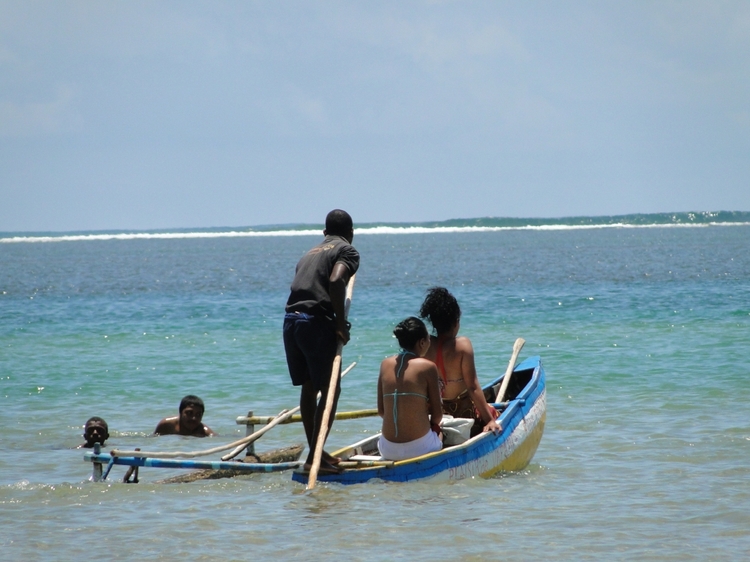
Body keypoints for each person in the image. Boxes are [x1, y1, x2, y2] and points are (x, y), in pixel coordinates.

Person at [283, 209, 359, 474]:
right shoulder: (347, 251)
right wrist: (340, 324)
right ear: (351, 233)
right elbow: (337, 281)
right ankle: (314, 457)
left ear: (324, 232)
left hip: (291, 321)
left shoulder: (309, 253)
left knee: (309, 387)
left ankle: (317, 453)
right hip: (315, 323)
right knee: (330, 390)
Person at [419, 287, 502, 436]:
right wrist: (490, 420)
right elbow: (472, 387)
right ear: (456, 322)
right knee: (496, 414)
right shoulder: (463, 345)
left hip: (436, 416)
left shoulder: (426, 344)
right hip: (464, 416)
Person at [377, 317, 443, 461]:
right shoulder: (428, 367)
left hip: (387, 449)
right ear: (422, 342)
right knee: (440, 430)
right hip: (420, 449)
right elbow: (437, 417)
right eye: (428, 338)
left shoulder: (384, 364)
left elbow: (382, 412)